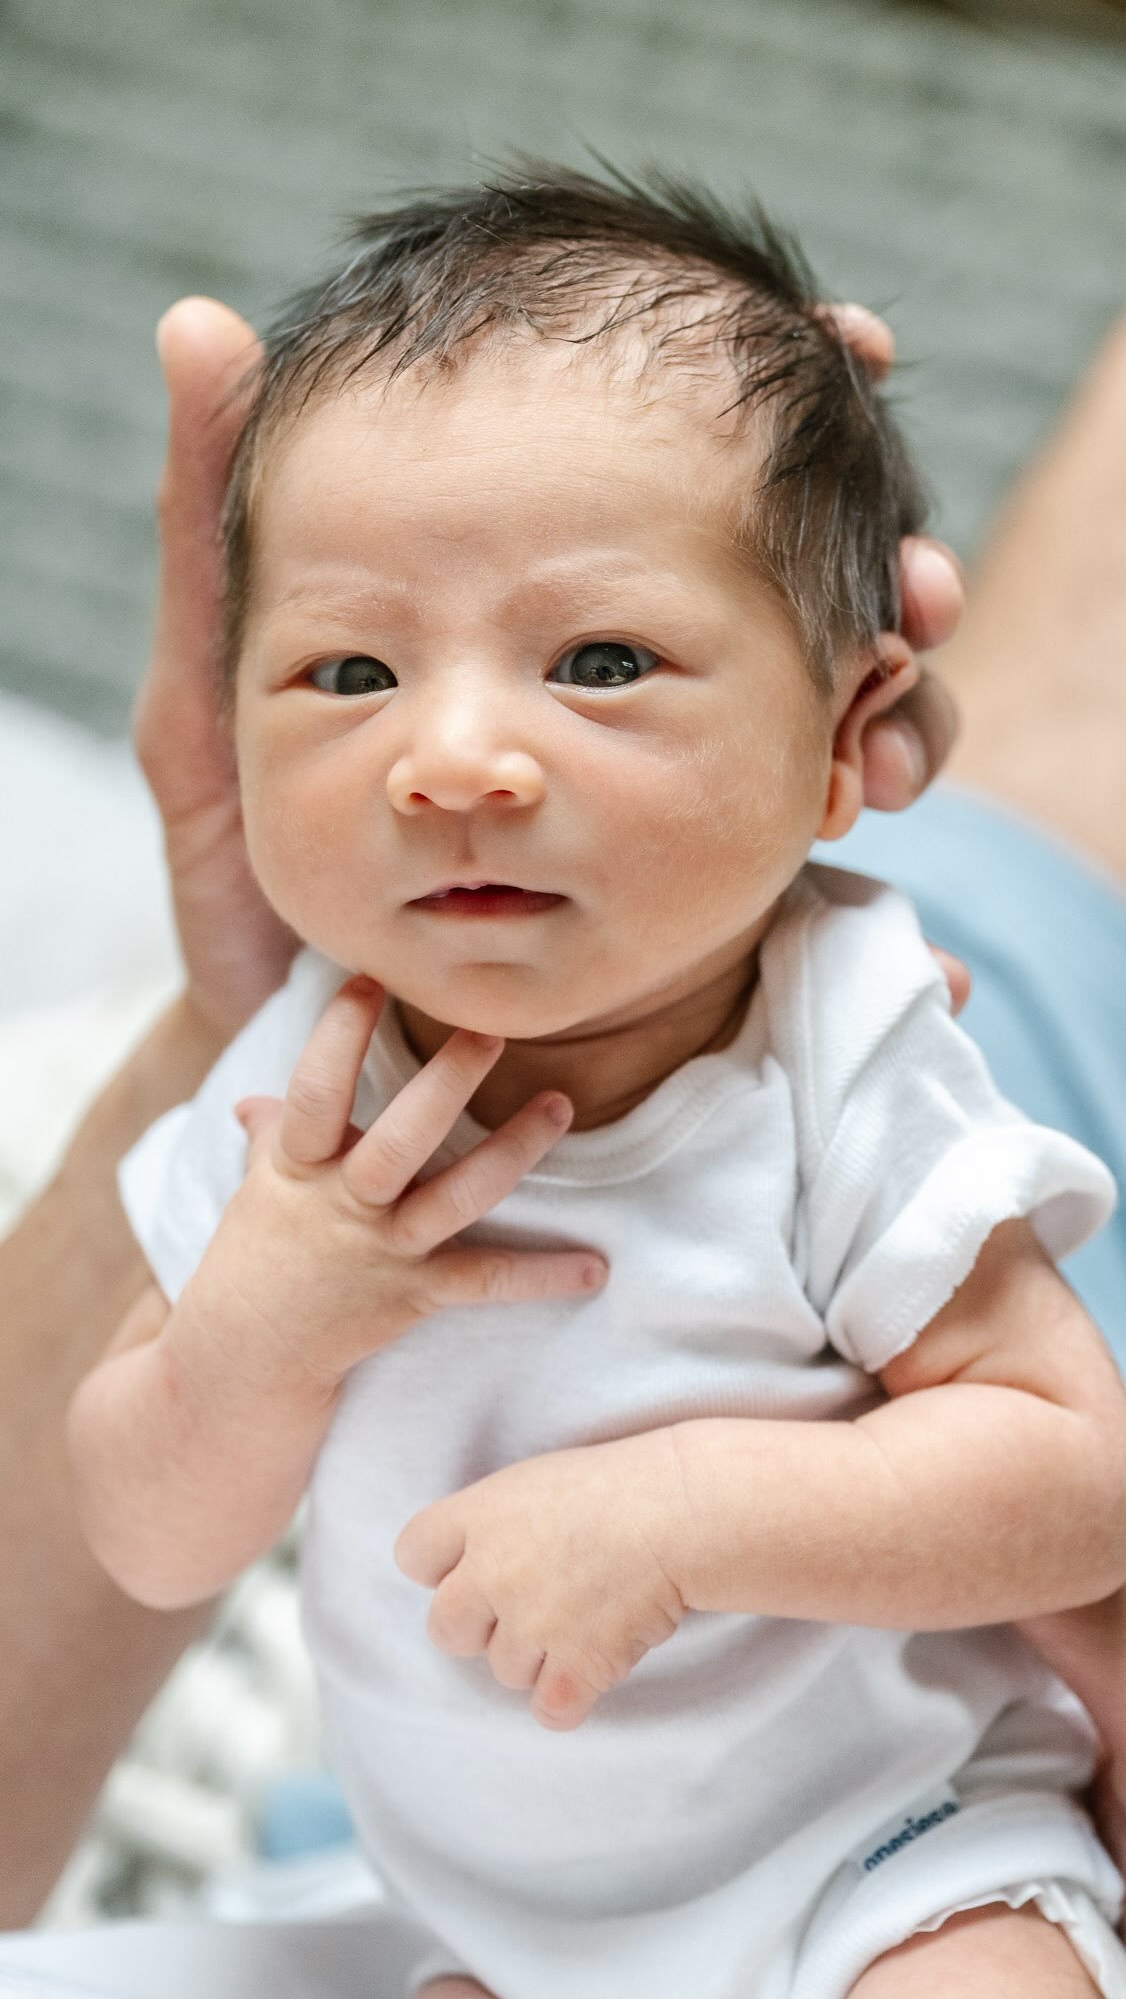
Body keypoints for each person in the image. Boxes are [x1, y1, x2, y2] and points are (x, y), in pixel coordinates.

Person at [57, 167, 1126, 1999]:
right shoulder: (304, 1093)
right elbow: (148, 1541)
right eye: (349, 669)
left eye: (600, 661)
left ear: (845, 741)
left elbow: (1072, 1476)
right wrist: (250, 1343)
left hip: (888, 1854)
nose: (453, 758)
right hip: (502, 1922)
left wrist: (683, 1519)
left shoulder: (838, 1047)